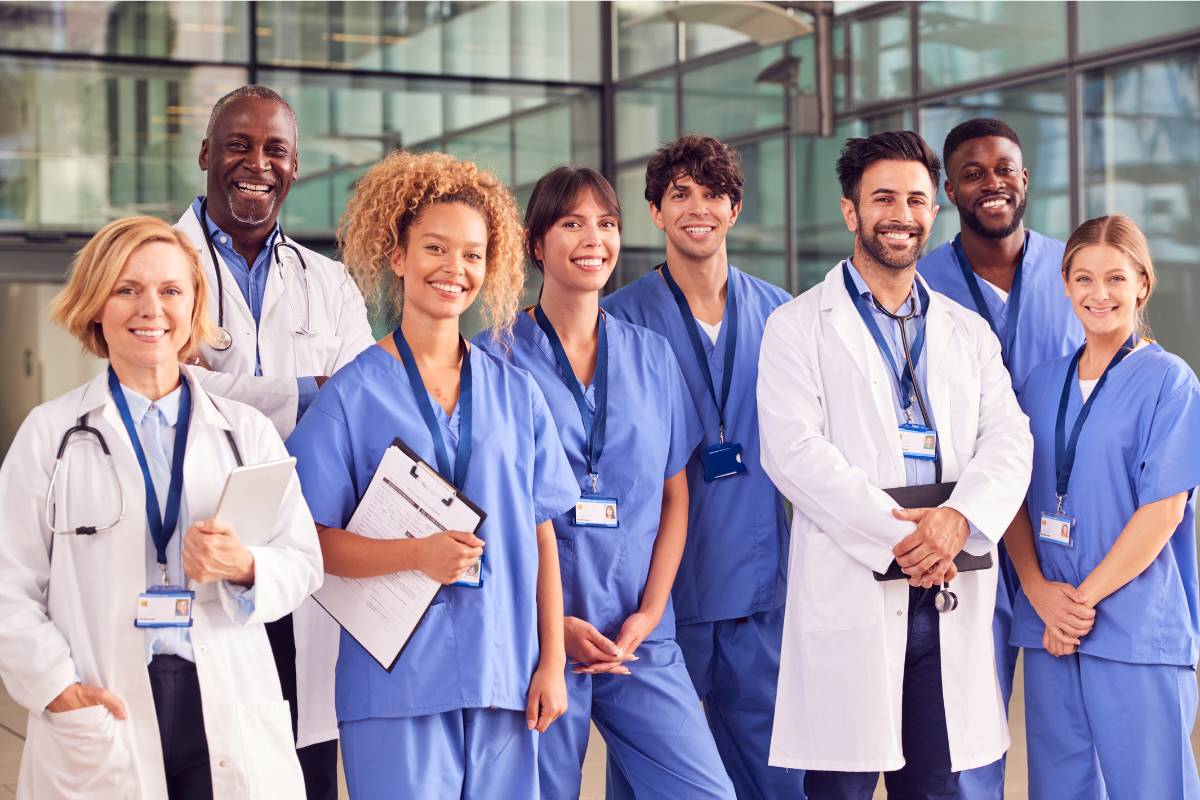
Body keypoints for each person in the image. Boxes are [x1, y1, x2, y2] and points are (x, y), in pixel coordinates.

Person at [285, 151, 579, 799]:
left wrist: (552, 663)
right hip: (395, 689)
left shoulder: (516, 393)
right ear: (397, 256)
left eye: (473, 254)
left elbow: (542, 534)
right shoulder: (351, 396)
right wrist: (415, 554)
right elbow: (308, 542)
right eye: (436, 248)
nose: (456, 269)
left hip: (504, 674)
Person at [0, 216, 322, 798]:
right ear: (97, 304)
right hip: (105, 696)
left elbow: (302, 560)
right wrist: (55, 687)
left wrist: (244, 566)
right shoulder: (50, 435)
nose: (151, 308)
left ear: (194, 305)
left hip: (222, 691)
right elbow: (8, 583)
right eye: (127, 289)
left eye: (171, 290)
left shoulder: (244, 432)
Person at [758, 131, 1033, 798]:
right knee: (841, 786)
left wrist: (958, 520)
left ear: (932, 211)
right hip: (857, 582)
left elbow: (1010, 438)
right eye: (883, 198)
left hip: (949, 588)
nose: (901, 214)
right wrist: (910, 538)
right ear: (851, 211)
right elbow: (793, 452)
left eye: (916, 199)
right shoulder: (798, 326)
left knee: (940, 787)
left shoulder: (966, 331)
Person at [475, 166, 735, 799]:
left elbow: (676, 493)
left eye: (607, 224)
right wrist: (550, 625)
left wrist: (651, 610)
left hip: (637, 638)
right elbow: (485, 512)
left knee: (705, 792)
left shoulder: (651, 354)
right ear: (536, 243)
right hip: (537, 639)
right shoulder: (492, 359)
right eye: (572, 223)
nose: (594, 238)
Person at [174, 84, 376, 796]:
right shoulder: (160, 268)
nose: (256, 162)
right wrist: (305, 389)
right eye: (238, 144)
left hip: (301, 548)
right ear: (205, 154)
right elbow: (163, 389)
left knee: (303, 769)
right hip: (197, 544)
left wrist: (223, 387)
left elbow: (360, 403)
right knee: (203, 756)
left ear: (293, 167)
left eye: (275, 149)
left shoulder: (328, 282)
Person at [602, 134, 803, 799]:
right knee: (657, 778)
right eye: (679, 194)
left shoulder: (783, 315)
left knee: (776, 774)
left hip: (759, 590)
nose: (698, 208)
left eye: (712, 194)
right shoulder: (617, 321)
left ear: (734, 208)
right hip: (659, 598)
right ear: (655, 212)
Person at [1005, 215, 1200, 799]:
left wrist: (1078, 604)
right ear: (1064, 284)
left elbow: (1162, 511)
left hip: (1131, 626)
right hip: (1050, 624)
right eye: (1084, 278)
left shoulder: (1171, 382)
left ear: (1142, 283)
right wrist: (1040, 592)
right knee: (1060, 787)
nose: (1099, 294)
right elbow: (1011, 494)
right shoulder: (1039, 385)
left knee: (1150, 788)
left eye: (1116, 278)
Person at [917, 118, 1083, 799]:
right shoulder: (920, 284)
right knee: (966, 721)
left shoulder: (1074, 274)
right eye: (975, 173)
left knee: (1069, 724)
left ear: (1025, 177)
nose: (994, 182)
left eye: (1005, 168)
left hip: (1065, 524)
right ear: (951, 189)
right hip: (966, 527)